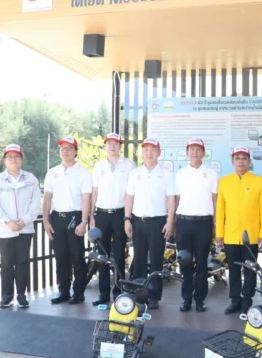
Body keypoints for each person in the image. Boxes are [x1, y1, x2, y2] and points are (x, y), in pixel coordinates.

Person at [0, 144, 41, 309]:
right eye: (9, 156)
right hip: (5, 230)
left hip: (25, 229)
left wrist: (24, 220)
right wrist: (7, 221)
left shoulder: (31, 179)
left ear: (21, 159)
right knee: (6, 264)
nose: (13, 159)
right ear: (4, 160)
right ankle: (6, 296)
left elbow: (35, 204)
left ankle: (21, 295)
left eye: (16, 156)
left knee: (23, 262)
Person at [216, 146, 262, 315]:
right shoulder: (224, 181)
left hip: (251, 236)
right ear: (232, 161)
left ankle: (247, 300)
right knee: (233, 270)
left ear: (249, 161)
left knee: (250, 270)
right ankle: (235, 300)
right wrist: (219, 234)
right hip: (231, 235)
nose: (241, 161)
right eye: (237, 158)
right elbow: (220, 210)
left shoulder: (258, 181)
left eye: (244, 158)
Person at [124, 138, 176, 310]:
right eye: (146, 149)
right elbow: (129, 197)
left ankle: (154, 297)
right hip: (138, 221)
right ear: (142, 152)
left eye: (153, 149)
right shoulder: (135, 173)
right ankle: (140, 295)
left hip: (157, 222)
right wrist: (126, 219)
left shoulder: (166, 173)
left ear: (159, 153)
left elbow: (171, 199)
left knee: (156, 261)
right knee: (138, 259)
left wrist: (170, 221)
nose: (149, 153)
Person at [43, 136, 93, 304]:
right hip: (57, 218)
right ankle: (63, 291)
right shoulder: (53, 172)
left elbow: (86, 199)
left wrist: (84, 221)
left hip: (75, 218)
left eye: (69, 148)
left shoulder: (84, 172)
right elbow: (47, 198)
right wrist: (45, 220)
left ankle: (78, 292)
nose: (65, 151)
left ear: (76, 151)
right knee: (61, 257)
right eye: (62, 148)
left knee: (77, 256)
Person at [90, 133, 136, 306]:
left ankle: (118, 292)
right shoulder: (99, 166)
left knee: (118, 255)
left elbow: (132, 193)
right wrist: (92, 215)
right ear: (104, 146)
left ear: (120, 146)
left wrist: (128, 217)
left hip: (120, 214)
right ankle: (103, 294)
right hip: (101, 214)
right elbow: (94, 192)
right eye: (109, 143)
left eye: (115, 144)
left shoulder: (129, 165)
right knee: (102, 256)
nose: (112, 146)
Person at [175, 138, 218, 313]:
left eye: (198, 149)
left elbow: (215, 200)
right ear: (187, 152)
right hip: (183, 222)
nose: (194, 152)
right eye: (191, 149)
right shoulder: (180, 174)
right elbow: (176, 199)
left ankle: (200, 299)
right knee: (185, 262)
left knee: (201, 263)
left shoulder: (212, 174)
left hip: (203, 223)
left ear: (203, 153)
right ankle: (186, 299)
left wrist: (215, 224)